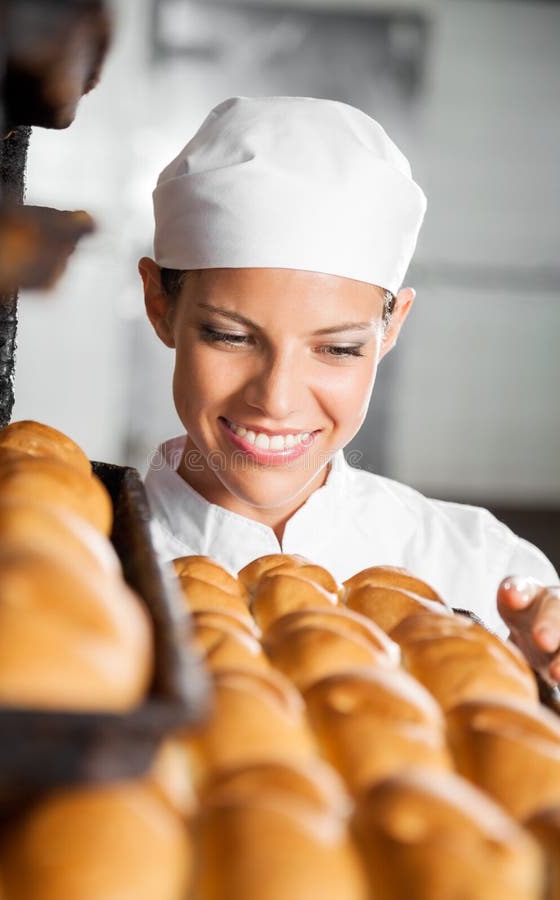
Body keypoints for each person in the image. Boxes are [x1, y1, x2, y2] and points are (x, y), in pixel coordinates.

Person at [138, 95, 560, 682]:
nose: (277, 399)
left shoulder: (481, 569)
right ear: (160, 304)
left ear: (392, 328)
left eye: (337, 349)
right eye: (230, 336)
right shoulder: (70, 558)